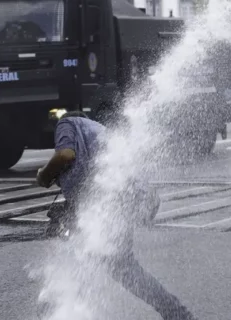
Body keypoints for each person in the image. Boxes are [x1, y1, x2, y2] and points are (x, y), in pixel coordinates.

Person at [35, 112, 196, 320]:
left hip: (111, 200)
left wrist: (44, 175)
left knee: (90, 254)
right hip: (124, 199)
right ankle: (175, 312)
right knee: (118, 265)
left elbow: (65, 155)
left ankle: (57, 309)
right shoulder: (97, 134)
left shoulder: (68, 123)